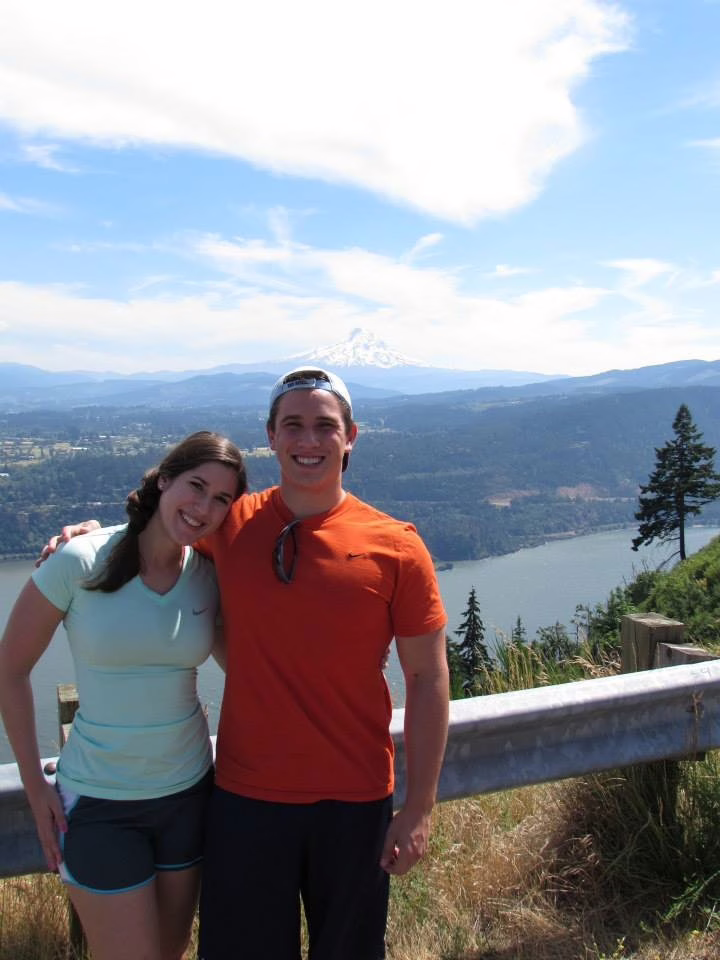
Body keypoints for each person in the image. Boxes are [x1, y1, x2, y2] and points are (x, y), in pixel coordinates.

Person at [38, 368, 450, 960]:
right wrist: (86, 537)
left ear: (351, 436)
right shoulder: (233, 524)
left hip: (355, 798)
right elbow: (163, 528)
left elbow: (429, 679)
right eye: (293, 426)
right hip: (246, 797)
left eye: (324, 427)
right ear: (271, 436)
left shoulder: (397, 546)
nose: (308, 440)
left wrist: (418, 808)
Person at [0, 431, 247, 960]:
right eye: (196, 486)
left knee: (173, 950)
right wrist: (32, 783)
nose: (204, 508)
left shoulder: (207, 575)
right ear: (164, 481)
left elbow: (251, 668)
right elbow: (10, 668)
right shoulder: (80, 560)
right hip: (98, 806)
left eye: (222, 499)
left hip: (188, 797)